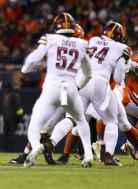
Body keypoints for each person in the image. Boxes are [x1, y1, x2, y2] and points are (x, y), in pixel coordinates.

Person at [45, 22, 130, 166]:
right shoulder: (121, 48)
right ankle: (109, 155)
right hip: (99, 82)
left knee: (72, 119)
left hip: (82, 80)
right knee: (111, 120)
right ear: (119, 37)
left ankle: (51, 142)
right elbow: (118, 78)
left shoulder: (93, 40)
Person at [21, 13, 93, 168]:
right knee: (80, 120)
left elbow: (35, 57)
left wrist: (25, 68)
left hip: (52, 87)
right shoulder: (82, 44)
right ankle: (88, 154)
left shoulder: (49, 38)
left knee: (35, 125)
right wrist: (79, 86)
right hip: (71, 88)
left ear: (56, 26)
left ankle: (35, 146)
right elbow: (89, 73)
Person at [9, 24, 85, 164]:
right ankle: (48, 147)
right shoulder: (80, 50)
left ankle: (28, 154)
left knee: (48, 125)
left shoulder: (61, 47)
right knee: (72, 120)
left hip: (59, 89)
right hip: (72, 91)